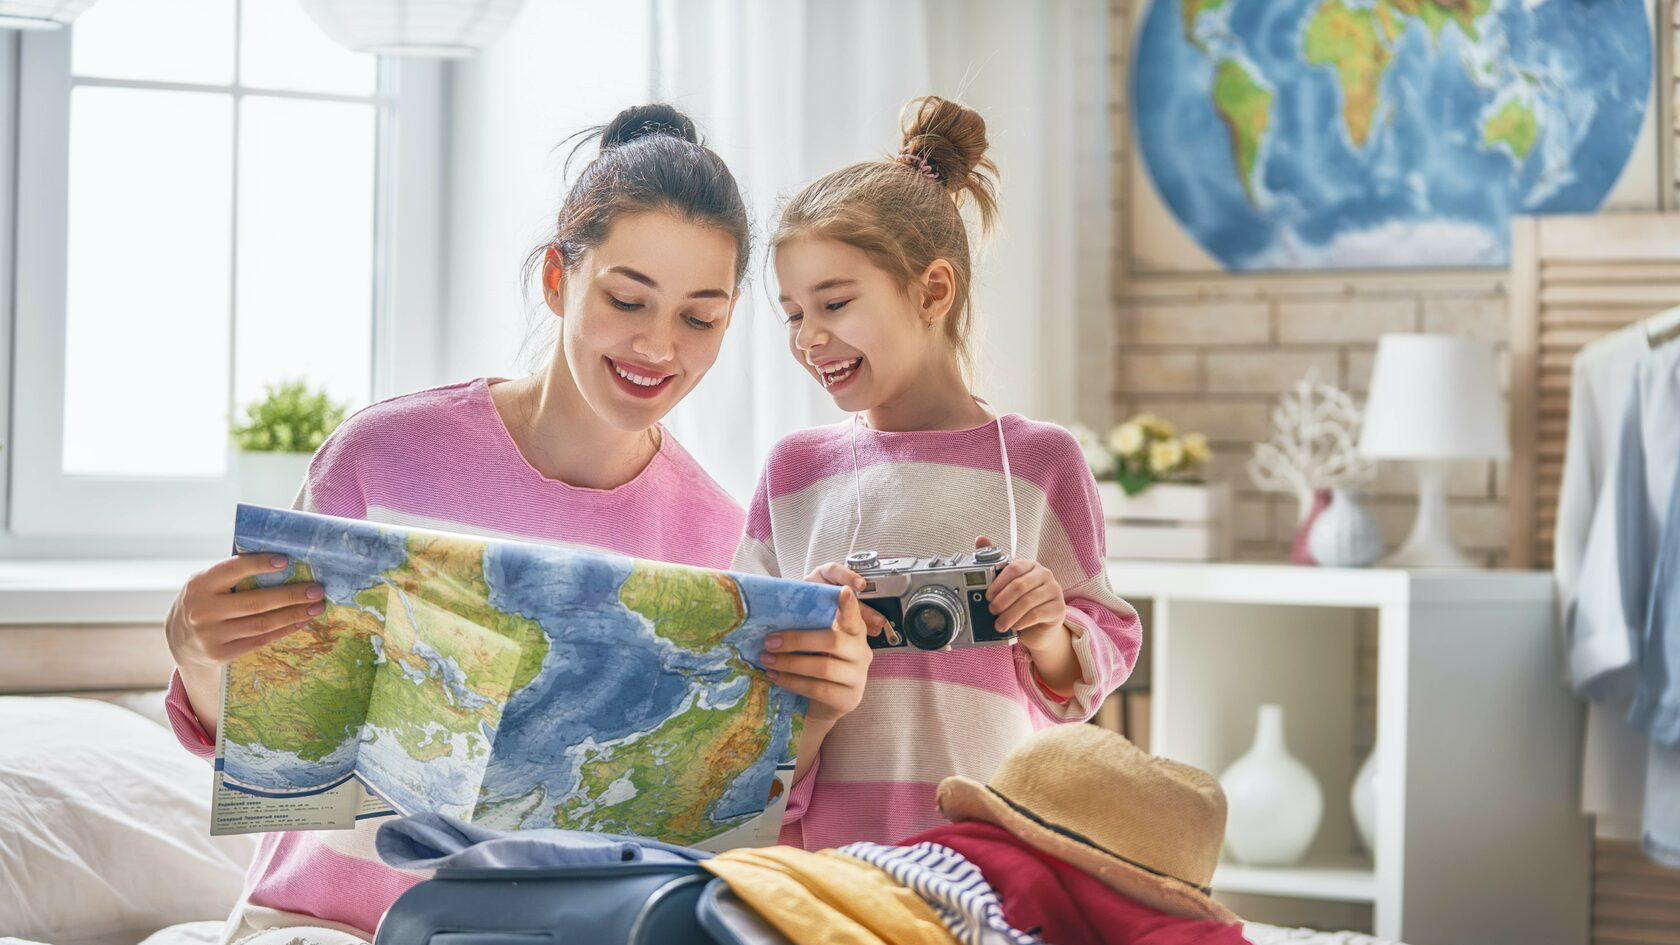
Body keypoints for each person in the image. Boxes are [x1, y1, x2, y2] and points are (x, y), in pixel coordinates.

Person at [159, 104, 871, 941]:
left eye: (698, 317)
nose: (657, 345)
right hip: (318, 923)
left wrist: (818, 709)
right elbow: (269, 745)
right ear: (557, 279)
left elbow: (716, 839)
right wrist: (197, 650)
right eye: (628, 298)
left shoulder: (723, 535)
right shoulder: (384, 455)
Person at [735, 95, 1141, 849]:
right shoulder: (794, 472)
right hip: (826, 859)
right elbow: (737, 674)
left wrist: (1049, 629)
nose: (809, 336)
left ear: (932, 291)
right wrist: (800, 620)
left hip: (984, 846)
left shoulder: (1040, 462)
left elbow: (1102, 647)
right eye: (792, 312)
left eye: (834, 302)